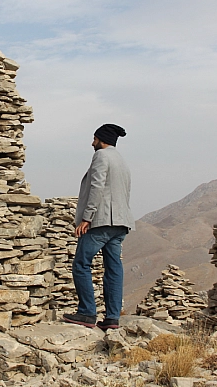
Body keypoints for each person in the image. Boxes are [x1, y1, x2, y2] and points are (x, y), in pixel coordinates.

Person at [63, 124, 135, 330]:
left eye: (94, 139)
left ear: (102, 140)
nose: (92, 143)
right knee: (113, 268)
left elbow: (97, 186)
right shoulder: (121, 160)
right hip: (121, 222)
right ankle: (112, 317)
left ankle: (87, 312)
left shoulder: (101, 156)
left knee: (81, 263)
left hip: (102, 221)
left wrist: (87, 217)